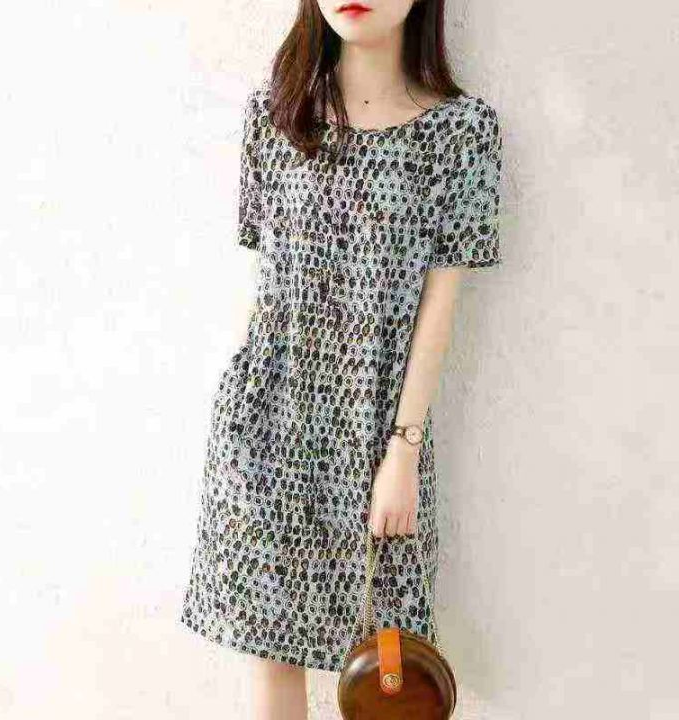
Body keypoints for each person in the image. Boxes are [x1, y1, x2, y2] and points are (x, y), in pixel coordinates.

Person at [180, 0, 504, 717]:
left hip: (378, 428)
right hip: (266, 426)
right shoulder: (275, 114)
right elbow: (269, 284)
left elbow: (440, 305)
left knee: (389, 670)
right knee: (271, 658)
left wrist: (404, 451)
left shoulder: (461, 131)